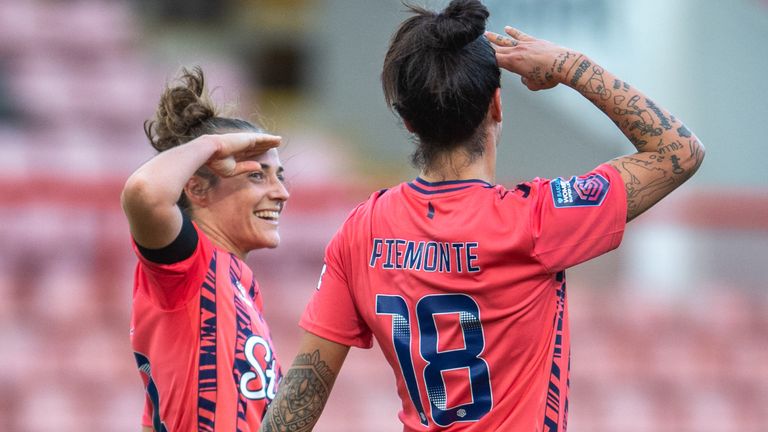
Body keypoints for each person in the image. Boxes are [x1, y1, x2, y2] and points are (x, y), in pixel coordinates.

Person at [260, 0, 705, 430]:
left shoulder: (362, 229)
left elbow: (307, 384)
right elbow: (679, 151)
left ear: (410, 122)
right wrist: (569, 65)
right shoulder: (537, 219)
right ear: (496, 104)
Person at [122, 67, 290, 432]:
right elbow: (144, 194)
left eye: (280, 176)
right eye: (257, 175)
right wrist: (210, 146)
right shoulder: (189, 268)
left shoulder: (240, 286)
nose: (281, 193)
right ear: (197, 189)